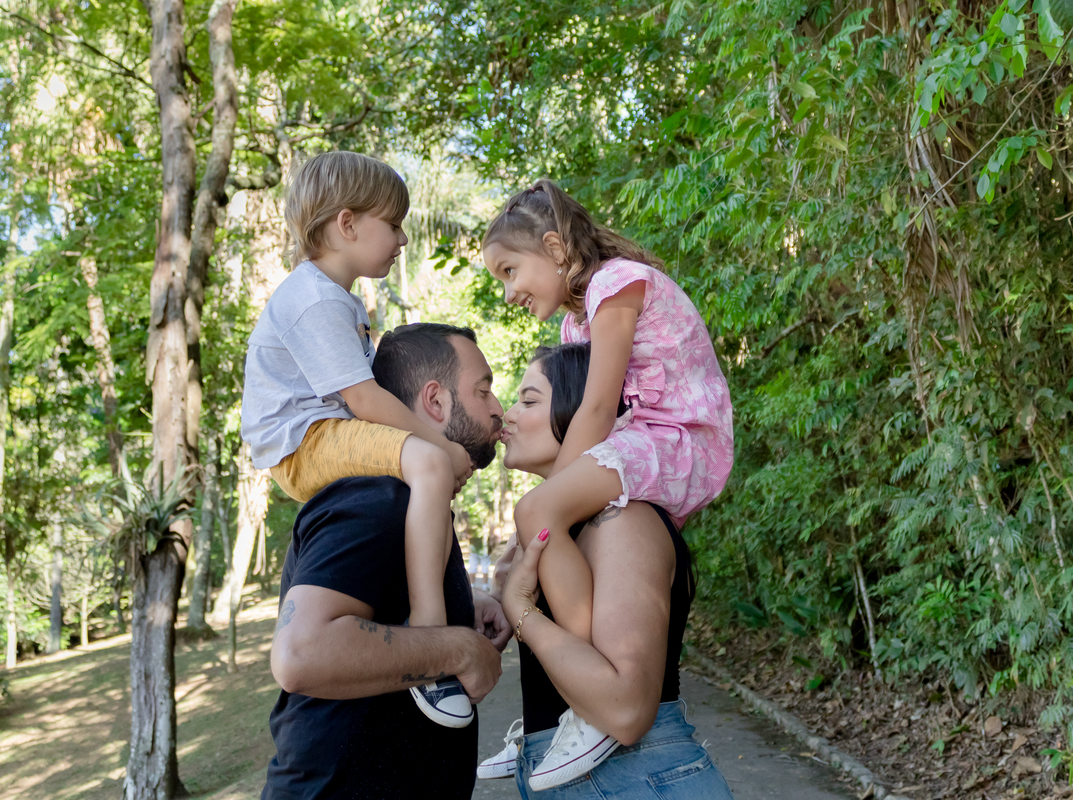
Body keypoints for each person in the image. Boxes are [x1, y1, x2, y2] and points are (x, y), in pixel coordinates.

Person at [479, 180, 734, 788]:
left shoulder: (613, 285)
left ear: (554, 246)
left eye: (512, 271)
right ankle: (559, 715)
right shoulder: (576, 331)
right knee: (541, 520)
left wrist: (544, 503)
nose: (510, 292)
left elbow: (593, 414)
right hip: (642, 436)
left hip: (679, 436)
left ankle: (591, 707)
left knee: (538, 511)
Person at [241, 152, 480, 726]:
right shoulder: (314, 298)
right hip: (306, 441)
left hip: (322, 433)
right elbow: (365, 401)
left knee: (420, 474)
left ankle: (424, 598)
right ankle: (427, 626)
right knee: (427, 464)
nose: (401, 239)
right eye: (393, 225)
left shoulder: (337, 297)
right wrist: (446, 450)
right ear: (347, 224)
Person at [264, 322, 513, 800]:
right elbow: (302, 652)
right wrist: (456, 649)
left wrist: (464, 600)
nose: (498, 408)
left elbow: (376, 595)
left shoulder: (411, 501)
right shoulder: (377, 496)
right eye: (484, 391)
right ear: (435, 401)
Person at [497, 343, 734, 799]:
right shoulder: (570, 528)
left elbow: (624, 711)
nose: (508, 414)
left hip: (634, 780)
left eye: (528, 400)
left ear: (584, 409)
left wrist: (521, 611)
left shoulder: (624, 521)